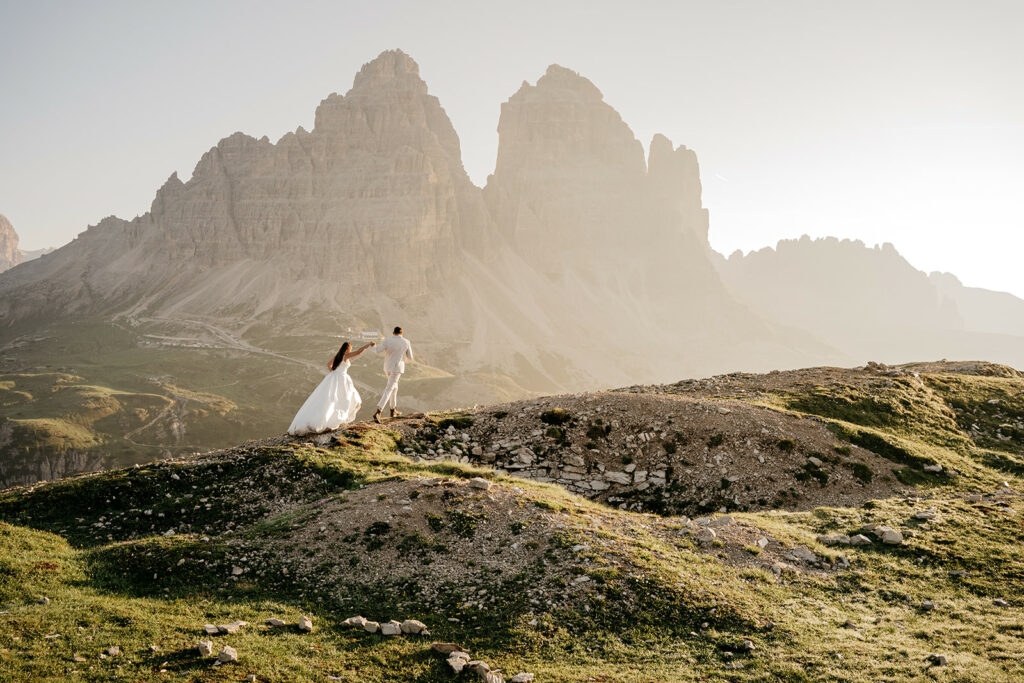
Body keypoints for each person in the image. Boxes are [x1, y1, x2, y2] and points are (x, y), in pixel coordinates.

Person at [287, 340, 374, 435]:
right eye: (350, 348)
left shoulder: (337, 356)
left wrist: (333, 371)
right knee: (344, 398)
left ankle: (333, 417)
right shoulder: (345, 356)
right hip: (341, 378)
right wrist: (368, 345)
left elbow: (329, 365)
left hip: (334, 376)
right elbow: (359, 352)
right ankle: (337, 418)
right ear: (347, 349)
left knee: (332, 398)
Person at [372, 326, 414, 423]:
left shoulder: (387, 340)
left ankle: (393, 409)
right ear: (401, 333)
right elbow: (410, 357)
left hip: (387, 367)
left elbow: (377, 350)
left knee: (394, 387)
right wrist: (403, 361)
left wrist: (373, 346)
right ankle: (378, 411)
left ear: (393, 332)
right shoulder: (406, 342)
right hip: (397, 368)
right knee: (389, 388)